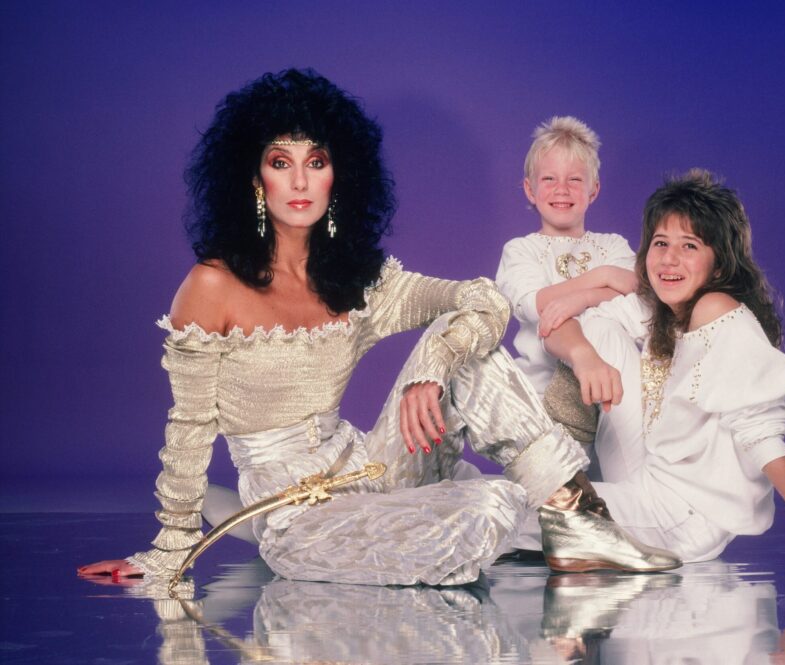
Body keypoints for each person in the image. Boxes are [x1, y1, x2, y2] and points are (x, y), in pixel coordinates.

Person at [77, 70, 679, 586]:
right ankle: (478, 519)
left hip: (374, 466)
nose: (299, 181)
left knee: (468, 355)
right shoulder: (213, 286)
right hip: (296, 515)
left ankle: (581, 523)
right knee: (488, 505)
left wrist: (430, 369)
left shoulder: (360, 281)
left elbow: (483, 299)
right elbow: (188, 429)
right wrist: (170, 549)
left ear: (338, 177)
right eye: (280, 162)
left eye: (316, 162)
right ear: (254, 177)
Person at [542, 170, 785, 573]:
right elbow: (554, 327)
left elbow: (762, 438)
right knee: (599, 331)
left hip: (680, 516)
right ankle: (584, 532)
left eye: (689, 245)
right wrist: (586, 343)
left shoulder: (719, 312)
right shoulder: (663, 309)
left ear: (718, 264)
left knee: (524, 505)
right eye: (660, 243)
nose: (669, 258)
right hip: (646, 478)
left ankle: (582, 529)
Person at [495, 116, 637, 406]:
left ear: (593, 190)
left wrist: (581, 297)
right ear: (530, 190)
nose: (562, 189)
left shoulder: (612, 245)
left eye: (574, 179)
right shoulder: (521, 250)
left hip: (611, 389)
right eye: (549, 179)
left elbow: (637, 290)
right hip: (541, 398)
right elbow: (536, 305)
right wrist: (602, 278)